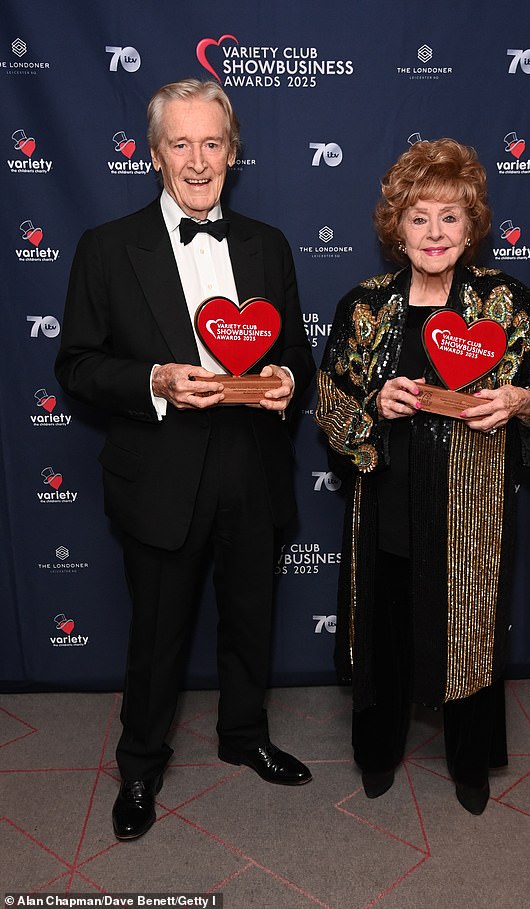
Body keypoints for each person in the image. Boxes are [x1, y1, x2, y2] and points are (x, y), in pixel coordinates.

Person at [55, 79, 315, 840]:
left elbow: (295, 347)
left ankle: (245, 734)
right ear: (153, 152)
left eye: (212, 143)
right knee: (157, 634)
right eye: (181, 143)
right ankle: (139, 766)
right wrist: (155, 380)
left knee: (250, 619)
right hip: (161, 471)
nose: (197, 161)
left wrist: (288, 380)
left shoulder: (267, 244)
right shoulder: (107, 247)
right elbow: (75, 364)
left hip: (252, 466)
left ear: (233, 153)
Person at [315, 139, 530, 814]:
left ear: (471, 225)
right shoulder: (363, 305)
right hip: (390, 496)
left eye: (449, 217)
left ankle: (470, 761)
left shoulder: (506, 302)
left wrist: (516, 400)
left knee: (469, 625)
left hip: (473, 502)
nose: (433, 233)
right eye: (418, 217)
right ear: (395, 226)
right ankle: (377, 750)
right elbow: (330, 399)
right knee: (388, 622)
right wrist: (375, 404)